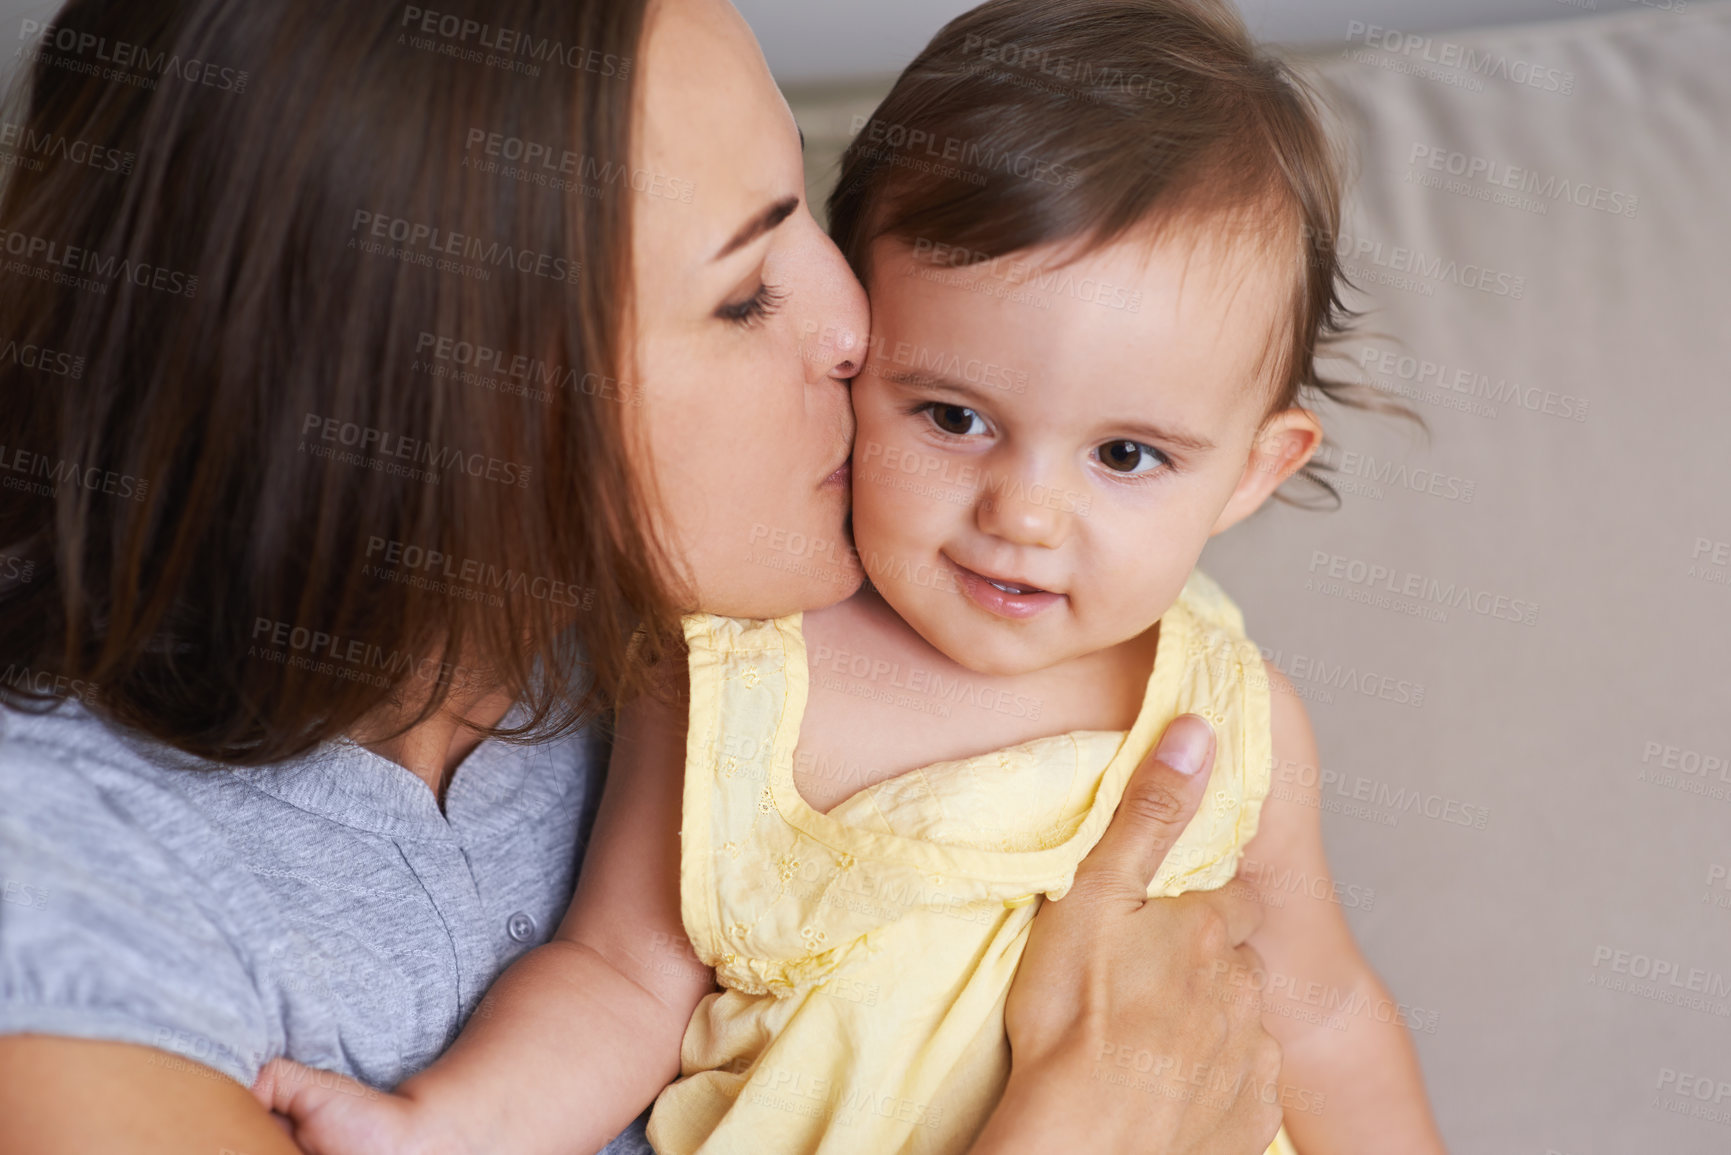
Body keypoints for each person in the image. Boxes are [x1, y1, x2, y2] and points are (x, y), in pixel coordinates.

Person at [0, 1, 1285, 1153]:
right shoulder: (74, 946)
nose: (858, 333)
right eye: (744, 297)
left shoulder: (689, 626)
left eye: (809, 216)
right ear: (463, 406)